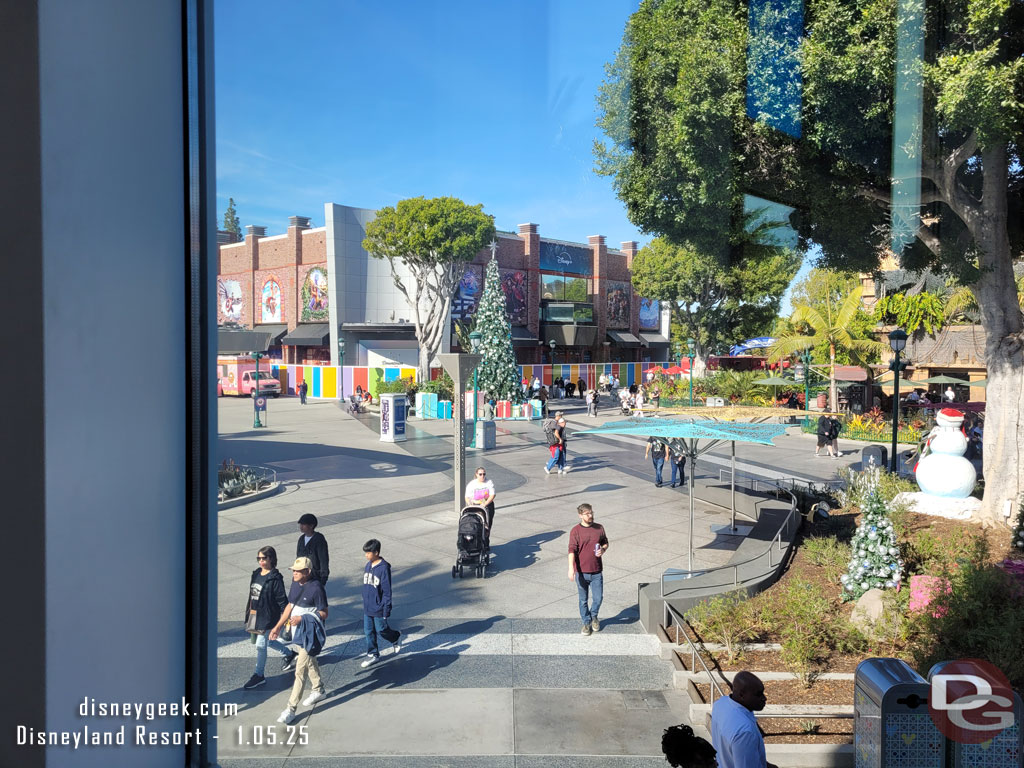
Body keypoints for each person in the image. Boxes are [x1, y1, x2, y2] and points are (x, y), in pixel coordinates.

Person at [271, 557, 329, 725]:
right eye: (293, 570)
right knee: (310, 661)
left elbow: (324, 613)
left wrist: (302, 618)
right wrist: (277, 627)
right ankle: (319, 689)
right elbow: (290, 606)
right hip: (296, 633)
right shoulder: (296, 583)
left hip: (308, 635)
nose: (294, 573)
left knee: (300, 671)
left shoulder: (317, 588)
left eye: (298, 571)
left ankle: (291, 709)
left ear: (307, 572)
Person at [243, 546, 289, 690]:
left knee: (260, 645)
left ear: (271, 559)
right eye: (259, 558)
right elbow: (252, 594)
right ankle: (290, 653)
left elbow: (283, 601)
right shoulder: (256, 573)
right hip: (254, 614)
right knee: (267, 642)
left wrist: (283, 622)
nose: (261, 561)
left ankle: (259, 675)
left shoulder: (275, 578)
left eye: (264, 558)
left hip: (268, 616)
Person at [710, 671, 778, 768]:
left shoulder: (720, 704)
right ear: (742, 695)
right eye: (758, 694)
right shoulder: (745, 732)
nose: (764, 698)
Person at [567, 503, 609, 635]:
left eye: (591, 513)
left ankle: (594, 616)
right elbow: (571, 550)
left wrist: (603, 549)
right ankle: (586, 623)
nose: (590, 515)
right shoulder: (575, 531)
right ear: (580, 515)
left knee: (598, 598)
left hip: (596, 571)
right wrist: (570, 568)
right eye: (587, 514)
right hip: (581, 572)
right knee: (583, 600)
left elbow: (605, 542)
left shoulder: (599, 528)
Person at [360, 538, 401, 668]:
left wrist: (386, 609)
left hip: (379, 607)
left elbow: (387, 590)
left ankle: (395, 637)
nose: (366, 555)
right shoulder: (368, 565)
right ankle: (373, 654)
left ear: (376, 552)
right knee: (368, 631)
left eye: (368, 553)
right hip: (368, 606)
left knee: (382, 630)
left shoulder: (383, 568)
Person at [296, 513, 330, 586]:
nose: (301, 526)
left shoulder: (319, 539)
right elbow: (298, 557)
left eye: (303, 524)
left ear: (311, 526)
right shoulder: (301, 539)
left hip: (314, 577)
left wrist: (323, 577)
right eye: (300, 524)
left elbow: (323, 559)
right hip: (302, 576)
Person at [465, 466, 496, 539]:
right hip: (476, 506)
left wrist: (485, 504)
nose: (482, 476)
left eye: (484, 474)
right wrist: (470, 504)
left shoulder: (489, 482)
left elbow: (492, 495)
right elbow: (467, 497)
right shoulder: (472, 484)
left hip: (487, 505)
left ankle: (486, 541)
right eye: (480, 474)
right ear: (476, 474)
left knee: (488, 524)